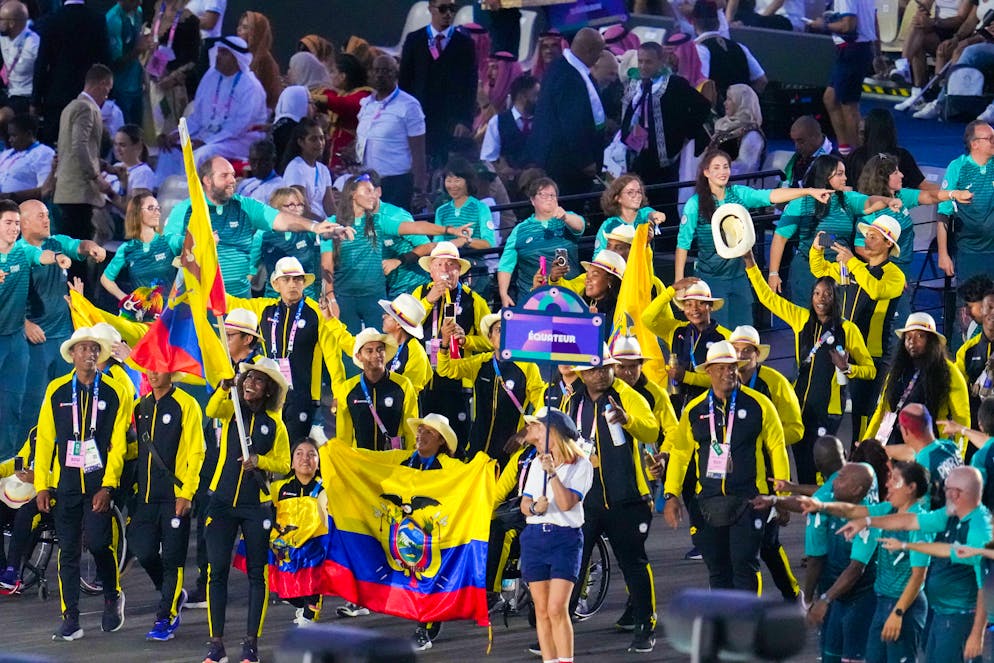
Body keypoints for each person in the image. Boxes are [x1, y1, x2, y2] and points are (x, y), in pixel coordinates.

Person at [663, 340, 788, 599]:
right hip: (708, 501)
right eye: (720, 368)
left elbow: (777, 448)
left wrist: (782, 497)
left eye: (732, 367)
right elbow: (680, 453)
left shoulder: (760, 404)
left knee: (744, 566)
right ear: (708, 371)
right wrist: (671, 494)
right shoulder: (695, 409)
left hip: (750, 498)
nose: (727, 372)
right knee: (718, 570)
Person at [743, 247, 875, 484]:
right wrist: (751, 262)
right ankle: (811, 515)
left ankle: (829, 509)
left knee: (822, 465)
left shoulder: (848, 330)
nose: (821, 299)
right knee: (803, 466)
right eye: (816, 293)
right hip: (800, 408)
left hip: (828, 411)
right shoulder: (801, 319)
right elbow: (767, 298)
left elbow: (870, 369)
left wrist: (848, 369)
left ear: (835, 297)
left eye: (827, 294)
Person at [32, 327, 132, 640]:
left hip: (99, 483)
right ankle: (70, 618)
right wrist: (42, 485)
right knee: (68, 552)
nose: (89, 354)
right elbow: (46, 439)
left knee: (101, 543)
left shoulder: (115, 391)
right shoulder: (57, 390)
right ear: (72, 354)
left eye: (94, 349)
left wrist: (109, 485)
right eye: (83, 349)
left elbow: (118, 443)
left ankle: (112, 595)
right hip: (66, 485)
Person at [838, 466, 991, 663]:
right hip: (940, 614)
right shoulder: (950, 515)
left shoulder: (979, 530)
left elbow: (986, 587)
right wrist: (868, 522)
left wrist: (977, 634)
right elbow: (910, 522)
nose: (943, 492)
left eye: (947, 488)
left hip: (960, 618)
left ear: (958, 493)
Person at [562, 348, 660, 652]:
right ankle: (556, 628)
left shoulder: (628, 395)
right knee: (574, 566)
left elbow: (652, 428)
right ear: (581, 373)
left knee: (633, 563)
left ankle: (645, 626)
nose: (601, 374)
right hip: (586, 501)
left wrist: (629, 420)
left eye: (606, 368)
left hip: (626, 498)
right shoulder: (572, 400)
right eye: (593, 369)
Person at [675, 149, 833, 327]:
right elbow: (683, 244)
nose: (722, 172)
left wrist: (809, 191)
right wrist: (680, 283)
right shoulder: (694, 204)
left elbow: (770, 196)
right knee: (719, 336)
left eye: (725, 167)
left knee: (745, 334)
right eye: (716, 167)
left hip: (740, 276)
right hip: (712, 279)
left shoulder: (739, 194)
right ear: (706, 172)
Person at [798, 460, 931, 663]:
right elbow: (851, 510)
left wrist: (898, 613)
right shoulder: (888, 509)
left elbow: (918, 577)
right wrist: (821, 505)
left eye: (895, 480)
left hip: (905, 607)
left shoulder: (920, 524)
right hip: (883, 602)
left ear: (911, 488)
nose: (887, 485)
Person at [202, 357, 290, 663]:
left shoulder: (275, 423)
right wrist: (224, 389)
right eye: (248, 378)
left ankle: (251, 645)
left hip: (256, 506)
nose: (251, 383)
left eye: (259, 380)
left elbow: (284, 463)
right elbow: (212, 410)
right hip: (222, 503)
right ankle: (216, 645)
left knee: (256, 574)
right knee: (217, 572)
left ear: (268, 390)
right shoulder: (232, 411)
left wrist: (260, 461)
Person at [163, 155, 351, 298]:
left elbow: (280, 219)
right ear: (207, 180)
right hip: (201, 297)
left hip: (240, 298)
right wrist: (195, 241)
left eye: (233, 175)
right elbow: (169, 241)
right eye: (225, 176)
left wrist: (315, 227)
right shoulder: (188, 209)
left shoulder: (245, 206)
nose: (232, 180)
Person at [318, 174, 471, 334]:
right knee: (348, 352)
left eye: (374, 191)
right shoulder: (333, 224)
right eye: (368, 191)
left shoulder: (378, 221)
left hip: (374, 297)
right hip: (345, 297)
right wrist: (330, 297)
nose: (373, 195)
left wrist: (450, 230)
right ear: (352, 194)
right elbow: (326, 265)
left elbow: (416, 227)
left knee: (380, 348)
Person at [809, 219, 906, 435]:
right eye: (867, 236)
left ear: (888, 244)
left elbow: (876, 290)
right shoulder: (854, 267)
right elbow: (819, 269)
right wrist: (816, 249)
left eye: (874, 237)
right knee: (834, 408)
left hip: (873, 355)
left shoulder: (894, 275)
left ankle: (862, 455)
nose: (867, 241)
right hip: (846, 350)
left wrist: (852, 262)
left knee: (864, 415)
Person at [20, 199, 105, 443]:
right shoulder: (18, 253)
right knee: (33, 407)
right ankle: (25, 462)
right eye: (40, 216)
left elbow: (79, 245)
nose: (47, 219)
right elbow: (42, 257)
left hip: (64, 340)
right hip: (35, 342)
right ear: (23, 223)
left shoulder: (57, 242)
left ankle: (64, 461)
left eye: (47, 214)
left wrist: (92, 248)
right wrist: (25, 324)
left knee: (68, 404)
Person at [730, 325, 803, 600]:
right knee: (740, 548)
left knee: (768, 543)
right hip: (734, 476)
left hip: (770, 473)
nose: (740, 356)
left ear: (757, 355)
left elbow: (797, 429)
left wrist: (760, 436)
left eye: (746, 350)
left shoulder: (775, 382)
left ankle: (792, 593)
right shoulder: (725, 383)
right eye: (735, 350)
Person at [767, 154, 898, 307]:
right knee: (807, 323)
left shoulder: (848, 199)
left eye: (845, 173)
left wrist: (889, 201)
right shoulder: (801, 203)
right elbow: (780, 238)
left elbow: (870, 201)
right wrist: (773, 273)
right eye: (840, 174)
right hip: (807, 271)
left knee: (840, 320)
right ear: (825, 175)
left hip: (839, 270)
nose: (845, 178)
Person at [855, 152, 969, 326]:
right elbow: (860, 247)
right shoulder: (871, 208)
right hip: (885, 275)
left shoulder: (900, 197)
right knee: (896, 323)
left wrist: (953, 194)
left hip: (904, 272)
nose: (902, 175)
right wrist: (888, 272)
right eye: (895, 173)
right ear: (883, 178)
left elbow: (929, 196)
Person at [131, 368, 203, 641]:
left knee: (173, 559)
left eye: (159, 367)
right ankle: (171, 593)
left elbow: (197, 451)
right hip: (146, 498)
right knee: (144, 551)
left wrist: (187, 492)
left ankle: (166, 616)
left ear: (172, 371)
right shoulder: (141, 407)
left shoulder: (188, 404)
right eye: (149, 367)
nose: (152, 373)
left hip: (175, 497)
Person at [519, 409, 593, 663]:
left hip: (564, 539)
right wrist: (532, 508)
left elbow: (565, 503)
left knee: (556, 607)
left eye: (538, 427)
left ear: (554, 432)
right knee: (541, 609)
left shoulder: (581, 465)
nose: (533, 433)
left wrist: (552, 474)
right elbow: (525, 502)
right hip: (535, 537)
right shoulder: (535, 463)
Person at [227, 256, 327, 443]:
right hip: (267, 393)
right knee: (266, 447)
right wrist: (202, 279)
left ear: (304, 283)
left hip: (300, 395)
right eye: (286, 279)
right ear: (276, 284)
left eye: (297, 279)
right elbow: (229, 303)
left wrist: (336, 391)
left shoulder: (316, 313)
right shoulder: (264, 308)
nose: (292, 284)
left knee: (294, 448)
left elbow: (333, 354)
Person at [0, 200, 72, 457]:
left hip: (26, 341)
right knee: (14, 405)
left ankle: (20, 463)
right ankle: (11, 462)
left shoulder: (23, 252)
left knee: (23, 405)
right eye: (8, 223)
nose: (14, 228)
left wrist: (58, 257)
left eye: (16, 223)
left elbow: (40, 255)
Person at [411, 241, 492, 446]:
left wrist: (467, 340)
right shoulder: (420, 293)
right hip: (424, 378)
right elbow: (407, 325)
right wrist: (429, 300)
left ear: (459, 271)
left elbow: (492, 342)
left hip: (457, 380)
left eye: (451, 265)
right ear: (431, 271)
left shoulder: (473, 301)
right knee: (425, 437)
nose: (445, 270)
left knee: (457, 439)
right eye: (440, 265)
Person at [437, 311, 543, 467]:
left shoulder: (528, 367)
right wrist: (445, 343)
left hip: (509, 451)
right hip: (476, 448)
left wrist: (524, 434)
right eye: (500, 330)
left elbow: (541, 407)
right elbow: (445, 369)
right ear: (490, 338)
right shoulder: (481, 363)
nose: (505, 334)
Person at [621, 41, 711, 217]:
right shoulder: (635, 83)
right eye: (640, 61)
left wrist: (685, 135)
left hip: (664, 158)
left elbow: (702, 106)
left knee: (663, 205)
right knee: (636, 201)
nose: (643, 66)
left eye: (648, 62)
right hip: (638, 154)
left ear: (661, 61)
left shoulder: (674, 84)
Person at [402, 412, 461, 650]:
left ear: (441, 442)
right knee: (415, 578)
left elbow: (470, 480)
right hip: (407, 533)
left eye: (429, 432)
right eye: (420, 430)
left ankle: (424, 628)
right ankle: (425, 623)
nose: (421, 435)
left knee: (430, 577)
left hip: (438, 532)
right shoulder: (406, 461)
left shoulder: (451, 467)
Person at [866, 312, 970, 446]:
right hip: (895, 442)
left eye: (920, 336)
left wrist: (957, 454)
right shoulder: (897, 369)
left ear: (932, 340)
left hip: (930, 446)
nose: (911, 341)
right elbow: (881, 411)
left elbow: (961, 417)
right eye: (908, 337)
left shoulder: (949, 370)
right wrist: (866, 443)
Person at [53, 64, 114, 283]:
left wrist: (104, 165)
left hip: (67, 190)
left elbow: (73, 149)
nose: (106, 97)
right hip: (79, 192)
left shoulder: (70, 106)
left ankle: (75, 299)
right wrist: (96, 177)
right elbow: (79, 146)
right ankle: (81, 301)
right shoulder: (87, 108)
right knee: (80, 252)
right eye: (107, 91)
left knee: (73, 251)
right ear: (102, 84)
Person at [529, 27, 607, 196]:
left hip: (565, 163)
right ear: (588, 50)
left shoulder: (563, 66)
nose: (599, 57)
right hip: (566, 166)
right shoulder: (568, 76)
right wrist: (585, 160)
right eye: (599, 52)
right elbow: (572, 124)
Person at [399, 0, 478, 166]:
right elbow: (405, 82)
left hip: (450, 120)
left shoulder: (465, 44)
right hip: (419, 117)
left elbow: (470, 87)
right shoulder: (414, 40)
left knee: (445, 169)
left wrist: (465, 120)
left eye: (452, 9)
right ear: (431, 9)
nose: (448, 13)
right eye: (443, 9)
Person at [174, 36, 267, 165]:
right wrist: (177, 134)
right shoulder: (211, 76)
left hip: (240, 141)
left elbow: (239, 126)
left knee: (202, 154)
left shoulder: (251, 86)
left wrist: (206, 141)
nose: (218, 56)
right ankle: (164, 185)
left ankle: (189, 185)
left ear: (236, 58)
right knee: (172, 150)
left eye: (224, 53)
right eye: (218, 52)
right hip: (209, 135)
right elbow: (198, 116)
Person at [497, 177, 586, 306]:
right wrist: (503, 294)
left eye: (552, 195)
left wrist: (565, 217)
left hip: (569, 298)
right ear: (532, 200)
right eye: (543, 195)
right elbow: (506, 265)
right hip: (532, 300)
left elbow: (580, 227)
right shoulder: (520, 230)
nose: (549, 198)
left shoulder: (568, 219)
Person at [31, 0, 109, 144]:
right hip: (88, 93)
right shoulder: (97, 20)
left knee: (54, 145)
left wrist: (35, 100)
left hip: (56, 94)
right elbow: (104, 60)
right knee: (85, 142)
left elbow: (42, 63)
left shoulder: (51, 20)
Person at [355, 54, 428, 210]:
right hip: (368, 182)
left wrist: (419, 189)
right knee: (371, 232)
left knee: (393, 232)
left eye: (386, 71)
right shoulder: (366, 104)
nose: (380, 75)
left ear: (396, 74)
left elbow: (419, 153)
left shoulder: (409, 105)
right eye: (377, 70)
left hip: (397, 184)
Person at [268, 438, 327, 627]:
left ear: (318, 463)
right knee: (283, 590)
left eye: (312, 454)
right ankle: (303, 606)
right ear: (292, 463)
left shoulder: (327, 489)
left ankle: (310, 613)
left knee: (313, 576)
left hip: (315, 552)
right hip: (287, 550)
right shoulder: (279, 489)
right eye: (299, 454)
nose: (305, 458)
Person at [805, 0, 876, 155]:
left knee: (848, 106)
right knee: (831, 98)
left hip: (851, 51)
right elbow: (874, 20)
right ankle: (845, 149)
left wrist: (822, 25)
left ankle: (857, 156)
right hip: (857, 50)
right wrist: (877, 51)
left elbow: (848, 26)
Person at [331, 328, 418, 451]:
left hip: (394, 462)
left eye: (380, 349)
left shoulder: (403, 385)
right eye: (369, 351)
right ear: (359, 356)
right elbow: (343, 436)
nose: (376, 355)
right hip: (362, 462)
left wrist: (410, 461)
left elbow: (411, 431)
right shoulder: (348, 388)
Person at [937, 121, 994, 302]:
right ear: (974, 144)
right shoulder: (958, 167)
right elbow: (943, 214)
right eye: (990, 138)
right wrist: (943, 254)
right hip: (969, 252)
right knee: (969, 308)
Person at [144, 0, 201, 166]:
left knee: (169, 134)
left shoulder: (190, 21)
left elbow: (193, 60)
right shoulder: (155, 9)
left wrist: (174, 78)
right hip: (151, 81)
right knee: (150, 132)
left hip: (173, 88)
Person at [890, 0, 972, 111]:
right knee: (917, 26)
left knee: (920, 35)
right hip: (938, 27)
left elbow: (960, 19)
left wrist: (933, 22)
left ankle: (905, 70)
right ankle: (915, 89)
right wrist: (923, 10)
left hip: (956, 31)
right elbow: (925, 4)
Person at [100, 191, 178, 302]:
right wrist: (126, 299)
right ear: (137, 213)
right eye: (151, 208)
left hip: (167, 314)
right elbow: (106, 279)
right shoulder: (127, 248)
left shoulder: (169, 240)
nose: (157, 213)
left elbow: (191, 246)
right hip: (140, 315)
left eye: (158, 208)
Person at [885, 404, 962, 510]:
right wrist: (883, 450)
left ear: (906, 431)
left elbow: (920, 512)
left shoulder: (921, 467)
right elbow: (913, 452)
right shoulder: (950, 446)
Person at [249, 188, 320, 301]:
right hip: (273, 300)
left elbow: (327, 236)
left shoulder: (310, 230)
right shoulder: (262, 234)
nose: (297, 209)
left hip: (306, 300)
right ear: (276, 208)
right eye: (291, 205)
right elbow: (251, 269)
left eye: (300, 205)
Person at [691, 0, 767, 97]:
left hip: (714, 109)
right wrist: (744, 102)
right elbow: (761, 81)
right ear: (718, 23)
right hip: (740, 109)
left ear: (693, 22)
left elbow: (701, 86)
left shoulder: (698, 49)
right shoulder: (740, 47)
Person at [311, 53, 372, 173]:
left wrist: (315, 98)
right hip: (335, 156)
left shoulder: (364, 95)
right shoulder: (343, 94)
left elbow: (346, 104)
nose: (330, 76)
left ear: (343, 76)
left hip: (351, 158)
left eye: (333, 72)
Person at [846, 108, 931, 189]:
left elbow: (845, 187)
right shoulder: (902, 156)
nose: (901, 175)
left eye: (862, 133)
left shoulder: (854, 157)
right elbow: (923, 186)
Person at [480, 74, 538, 193]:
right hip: (508, 188)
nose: (540, 100)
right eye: (536, 95)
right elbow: (488, 159)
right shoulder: (498, 122)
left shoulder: (543, 121)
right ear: (522, 97)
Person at [280, 118, 335, 220]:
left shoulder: (323, 169)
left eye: (322, 138)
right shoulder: (295, 168)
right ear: (301, 142)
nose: (320, 143)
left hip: (321, 226)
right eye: (313, 139)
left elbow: (330, 207)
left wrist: (341, 224)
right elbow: (302, 211)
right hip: (303, 227)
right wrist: (327, 225)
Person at [955, 289, 994, 432]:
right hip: (975, 427)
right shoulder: (966, 350)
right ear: (981, 311)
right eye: (989, 307)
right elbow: (957, 390)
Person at [105, 0, 148, 125]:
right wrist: (138, 50)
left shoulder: (138, 12)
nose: (140, 3)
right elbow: (115, 62)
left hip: (137, 84)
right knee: (126, 133)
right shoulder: (113, 20)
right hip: (121, 87)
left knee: (138, 132)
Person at [710, 83, 765, 174]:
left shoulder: (752, 135)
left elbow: (746, 168)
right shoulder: (722, 125)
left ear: (741, 103)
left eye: (729, 99)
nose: (724, 103)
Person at [0, 114, 55, 203]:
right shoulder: (6, 153)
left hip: (20, 206)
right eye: (9, 136)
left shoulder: (43, 153)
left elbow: (45, 190)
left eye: (14, 135)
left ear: (28, 134)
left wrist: (11, 196)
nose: (10, 140)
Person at [103, 125, 156, 214]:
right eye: (115, 144)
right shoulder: (116, 166)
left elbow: (135, 211)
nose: (117, 149)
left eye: (122, 145)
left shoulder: (143, 173)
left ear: (137, 146)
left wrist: (109, 193)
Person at [235, 11, 280, 110]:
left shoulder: (265, 61)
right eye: (240, 26)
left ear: (256, 32)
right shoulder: (238, 55)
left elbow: (269, 96)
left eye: (245, 27)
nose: (239, 30)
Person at [474, 51, 523, 142]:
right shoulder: (484, 93)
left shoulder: (518, 102)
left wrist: (485, 104)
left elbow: (503, 130)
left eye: (494, 68)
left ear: (508, 72)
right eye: (489, 67)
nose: (488, 73)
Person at [0, 1, 37, 119]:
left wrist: (35, 104)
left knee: (2, 117)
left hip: (25, 96)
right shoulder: (3, 37)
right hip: (7, 93)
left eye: (1, 19)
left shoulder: (34, 45)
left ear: (11, 23)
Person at [783, 115, 834, 188]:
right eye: (794, 141)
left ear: (816, 137)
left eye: (801, 142)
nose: (796, 147)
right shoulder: (799, 157)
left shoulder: (834, 162)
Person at [235, 139, 285, 205]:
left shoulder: (279, 188)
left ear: (273, 160)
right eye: (253, 161)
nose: (257, 166)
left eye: (263, 161)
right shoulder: (245, 183)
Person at [271, 86, 310, 166]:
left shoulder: (279, 124)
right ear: (300, 103)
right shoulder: (296, 130)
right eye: (310, 102)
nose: (315, 108)